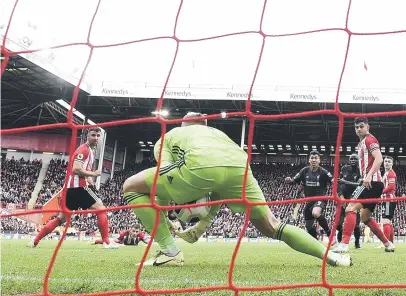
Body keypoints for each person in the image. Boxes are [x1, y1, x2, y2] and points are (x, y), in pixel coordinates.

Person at [123, 112, 351, 267]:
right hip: (240, 166)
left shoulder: (171, 135)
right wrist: (202, 225)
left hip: (196, 167)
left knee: (132, 186)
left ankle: (169, 252)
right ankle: (333, 258)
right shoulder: (219, 136)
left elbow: (164, 172)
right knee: (273, 226)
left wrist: (168, 211)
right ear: (206, 125)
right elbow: (219, 187)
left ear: (183, 125)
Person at [28, 127, 118, 249]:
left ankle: (35, 240)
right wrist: (94, 174)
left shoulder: (90, 151)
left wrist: (91, 181)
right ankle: (107, 242)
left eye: (98, 135)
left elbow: (85, 169)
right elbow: (76, 169)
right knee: (101, 209)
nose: (96, 138)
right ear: (87, 136)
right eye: (93, 135)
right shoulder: (83, 150)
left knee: (61, 219)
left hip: (70, 189)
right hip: (78, 187)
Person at [332, 117, 394, 253]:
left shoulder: (370, 140)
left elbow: (379, 159)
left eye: (361, 126)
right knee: (365, 217)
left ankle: (344, 244)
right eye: (356, 127)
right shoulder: (360, 144)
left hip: (372, 182)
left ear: (367, 127)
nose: (359, 129)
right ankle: (388, 243)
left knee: (350, 208)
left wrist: (369, 175)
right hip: (375, 184)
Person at [285, 150, 336, 245]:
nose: (314, 160)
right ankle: (316, 242)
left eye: (316, 158)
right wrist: (289, 181)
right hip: (309, 201)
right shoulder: (304, 171)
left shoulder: (324, 172)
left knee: (316, 213)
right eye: (312, 158)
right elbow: (294, 181)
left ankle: (330, 234)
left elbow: (333, 182)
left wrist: (336, 190)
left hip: (320, 199)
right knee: (308, 226)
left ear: (319, 160)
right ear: (309, 160)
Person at [336, 154, 361, 249]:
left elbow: (359, 185)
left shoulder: (360, 171)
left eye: (355, 158)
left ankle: (357, 242)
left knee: (356, 224)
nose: (353, 160)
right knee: (339, 223)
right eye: (351, 159)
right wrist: (341, 196)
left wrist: (345, 182)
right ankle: (340, 241)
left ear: (358, 160)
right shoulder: (344, 168)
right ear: (349, 160)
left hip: (355, 197)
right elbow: (339, 182)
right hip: (343, 198)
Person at [381, 156, 397, 243]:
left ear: (392, 164)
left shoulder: (391, 173)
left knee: (385, 220)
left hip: (388, 198)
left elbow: (391, 186)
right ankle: (391, 242)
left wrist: (381, 192)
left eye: (389, 161)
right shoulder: (386, 173)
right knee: (389, 221)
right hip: (387, 199)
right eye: (385, 161)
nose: (387, 163)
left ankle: (386, 243)